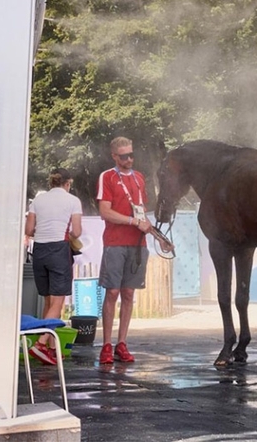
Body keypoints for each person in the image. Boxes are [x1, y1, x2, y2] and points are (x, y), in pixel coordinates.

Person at [96, 136, 153, 364]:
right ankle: (106, 345)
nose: (129, 159)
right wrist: (132, 222)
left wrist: (153, 230)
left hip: (138, 244)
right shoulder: (107, 177)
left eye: (131, 154)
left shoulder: (139, 178)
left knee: (129, 293)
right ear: (114, 157)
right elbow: (105, 212)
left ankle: (122, 343)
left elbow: (141, 211)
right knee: (112, 292)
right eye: (124, 156)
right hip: (115, 242)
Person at [25, 168, 83, 365]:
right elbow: (76, 231)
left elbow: (29, 230)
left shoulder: (38, 201)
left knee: (49, 302)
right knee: (58, 303)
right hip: (59, 249)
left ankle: (50, 348)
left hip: (39, 250)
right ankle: (40, 344)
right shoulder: (73, 200)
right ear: (68, 183)